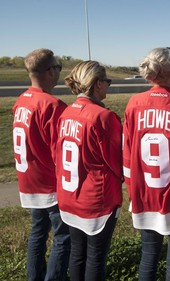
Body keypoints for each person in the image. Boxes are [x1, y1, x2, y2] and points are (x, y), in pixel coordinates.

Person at [122, 48, 170, 281]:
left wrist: (132, 189)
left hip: (145, 192)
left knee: (148, 256)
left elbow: (127, 152)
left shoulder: (134, 103)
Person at [55, 61, 123, 281]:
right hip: (95, 200)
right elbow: (116, 162)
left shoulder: (66, 113)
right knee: (95, 257)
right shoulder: (103, 116)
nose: (108, 86)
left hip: (69, 195)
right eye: (107, 81)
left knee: (77, 253)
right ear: (97, 84)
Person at [12, 48, 71, 281]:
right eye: (58, 67)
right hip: (49, 182)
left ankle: (34, 275)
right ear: (49, 72)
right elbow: (59, 150)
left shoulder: (21, 101)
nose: (58, 72)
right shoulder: (52, 105)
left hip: (29, 178)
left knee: (38, 231)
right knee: (62, 235)